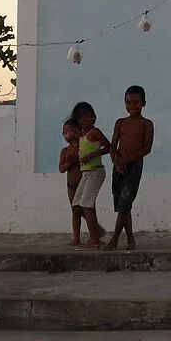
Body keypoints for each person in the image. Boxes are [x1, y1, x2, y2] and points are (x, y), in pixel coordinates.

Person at [104, 85, 154, 251]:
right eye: (128, 103)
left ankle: (115, 239)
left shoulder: (147, 124)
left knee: (125, 203)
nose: (132, 106)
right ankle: (131, 238)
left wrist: (127, 160)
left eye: (135, 103)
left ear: (143, 103)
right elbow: (113, 144)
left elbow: (146, 148)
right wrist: (115, 159)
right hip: (119, 167)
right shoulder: (120, 123)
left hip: (134, 167)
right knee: (123, 205)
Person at [70, 100, 109, 248]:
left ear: (93, 117)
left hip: (95, 172)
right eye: (80, 118)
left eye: (86, 116)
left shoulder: (95, 132)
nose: (83, 120)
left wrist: (92, 155)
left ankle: (94, 239)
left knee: (86, 204)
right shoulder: (82, 135)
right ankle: (96, 230)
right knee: (77, 204)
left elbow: (108, 147)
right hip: (86, 173)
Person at [57, 118, 84, 246]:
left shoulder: (84, 148)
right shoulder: (65, 151)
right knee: (75, 211)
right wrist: (69, 162)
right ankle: (76, 237)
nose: (70, 134)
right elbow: (61, 169)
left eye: (73, 131)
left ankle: (94, 234)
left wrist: (77, 159)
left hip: (84, 184)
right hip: (71, 186)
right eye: (66, 132)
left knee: (89, 210)